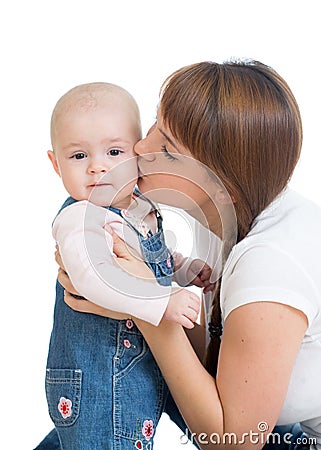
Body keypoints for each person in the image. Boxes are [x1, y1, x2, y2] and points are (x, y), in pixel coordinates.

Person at [39, 59, 321, 450]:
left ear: (222, 182)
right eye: (156, 123)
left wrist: (145, 302)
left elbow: (235, 442)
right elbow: (210, 364)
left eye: (167, 149)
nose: (141, 146)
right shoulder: (248, 210)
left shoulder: (270, 262)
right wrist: (172, 278)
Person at [37, 82, 214, 450]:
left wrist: (182, 269)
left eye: (114, 151)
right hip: (101, 376)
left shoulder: (137, 207)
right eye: (78, 156)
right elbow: (93, 277)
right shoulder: (82, 218)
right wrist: (161, 302)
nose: (97, 166)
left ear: (137, 154)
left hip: (140, 367)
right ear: (56, 164)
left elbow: (153, 260)